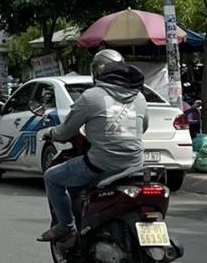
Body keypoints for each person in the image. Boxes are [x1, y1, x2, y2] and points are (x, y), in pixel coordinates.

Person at [40, 49, 149, 243]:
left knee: (51, 178)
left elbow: (65, 132)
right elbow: (144, 126)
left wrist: (51, 133)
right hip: (134, 164)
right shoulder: (139, 97)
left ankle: (66, 226)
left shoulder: (91, 96)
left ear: (97, 71)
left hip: (100, 164)